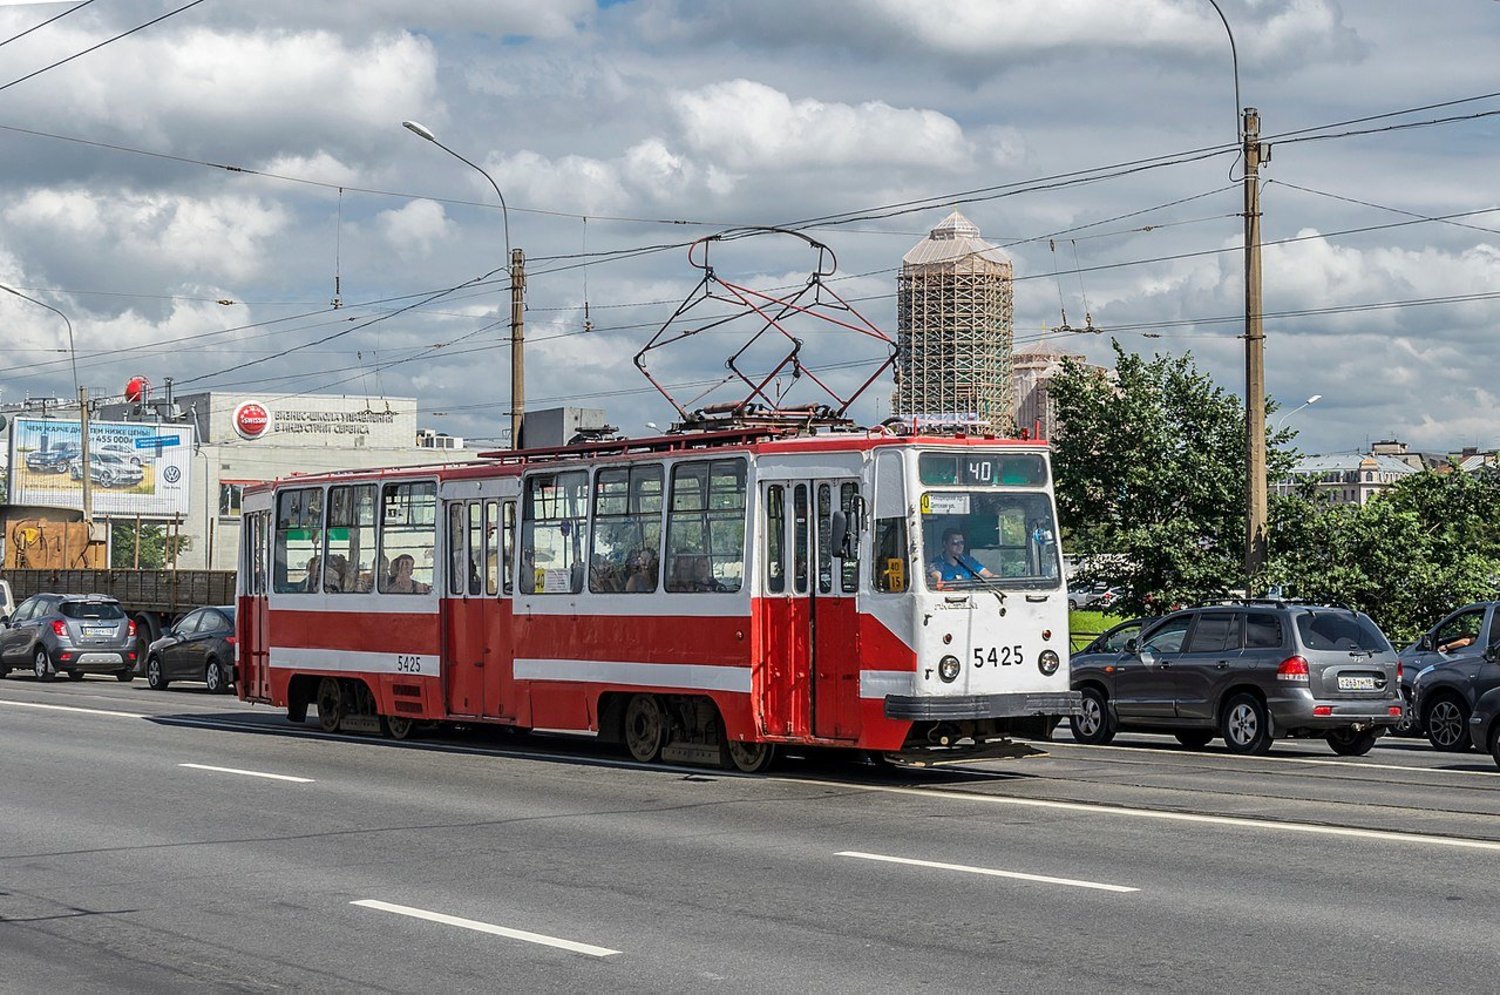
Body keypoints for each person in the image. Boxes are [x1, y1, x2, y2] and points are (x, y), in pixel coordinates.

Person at [928, 528, 994, 586]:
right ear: (945, 544)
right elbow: (936, 579)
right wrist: (936, 578)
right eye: (955, 543)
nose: (960, 546)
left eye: (962, 543)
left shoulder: (968, 560)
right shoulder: (937, 563)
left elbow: (989, 575)